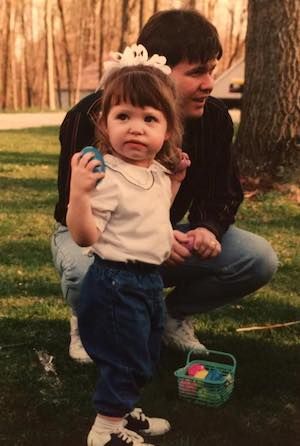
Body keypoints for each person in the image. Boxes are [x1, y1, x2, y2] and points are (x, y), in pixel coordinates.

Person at [51, 8, 278, 363]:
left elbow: (223, 192)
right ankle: (88, 320)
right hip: (92, 236)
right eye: (197, 72)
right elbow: (77, 203)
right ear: (160, 71)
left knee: (257, 257)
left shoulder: (215, 120)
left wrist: (207, 227)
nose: (209, 83)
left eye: (212, 70)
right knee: (83, 269)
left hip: (164, 237)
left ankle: (172, 316)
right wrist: (153, 232)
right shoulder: (90, 115)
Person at [67, 50, 189, 446]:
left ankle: (124, 412)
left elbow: (154, 213)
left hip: (148, 283)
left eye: (149, 118)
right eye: (124, 117)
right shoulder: (107, 176)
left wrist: (176, 182)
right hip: (115, 283)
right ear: (104, 124)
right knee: (124, 357)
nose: (136, 128)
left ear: (168, 130)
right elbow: (86, 236)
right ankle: (105, 431)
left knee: (142, 355)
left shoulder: (154, 172)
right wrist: (80, 194)